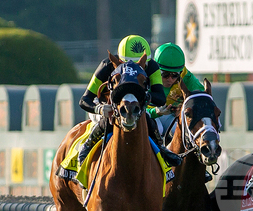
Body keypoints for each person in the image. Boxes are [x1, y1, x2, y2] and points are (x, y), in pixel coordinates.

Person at [74, 35, 181, 167]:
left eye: (140, 66)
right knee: (107, 119)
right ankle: (86, 148)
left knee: (147, 118)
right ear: (119, 60)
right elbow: (84, 100)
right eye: (128, 66)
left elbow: (160, 98)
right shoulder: (106, 66)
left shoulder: (151, 66)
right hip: (103, 104)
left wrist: (144, 96)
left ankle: (161, 148)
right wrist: (100, 109)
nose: (134, 70)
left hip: (130, 104)